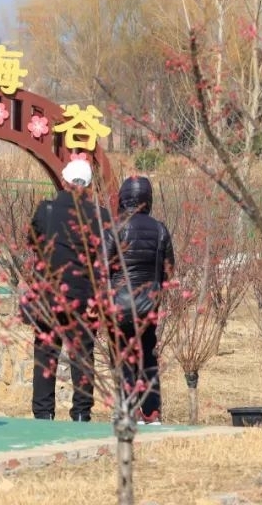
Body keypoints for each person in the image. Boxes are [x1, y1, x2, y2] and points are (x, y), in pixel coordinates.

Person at [26, 158, 115, 422]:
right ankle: (81, 413)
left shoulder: (46, 210)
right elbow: (107, 257)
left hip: (48, 294)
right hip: (85, 296)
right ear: (88, 186)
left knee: (46, 352)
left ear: (64, 181)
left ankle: (43, 413)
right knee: (82, 354)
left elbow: (33, 242)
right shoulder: (101, 216)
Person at [111, 175, 175, 425]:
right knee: (148, 356)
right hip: (149, 304)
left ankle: (128, 410)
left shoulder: (115, 228)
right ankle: (151, 411)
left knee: (124, 357)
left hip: (119, 305)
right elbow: (168, 268)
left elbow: (101, 266)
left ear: (123, 198)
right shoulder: (160, 229)